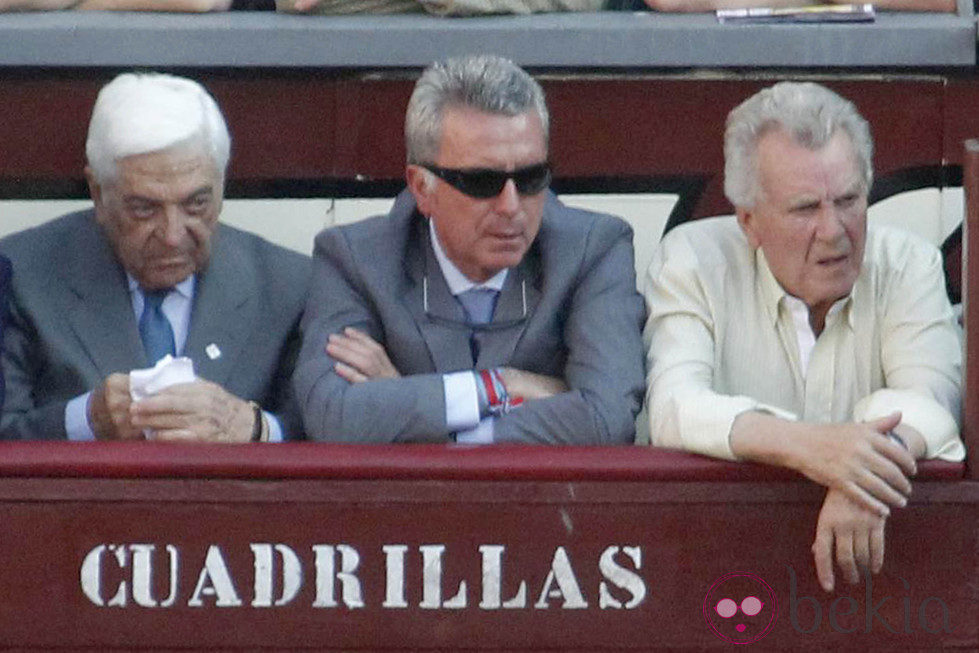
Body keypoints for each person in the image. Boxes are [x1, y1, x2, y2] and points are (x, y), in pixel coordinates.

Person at [643, 82, 964, 592]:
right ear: (748, 221)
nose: (835, 230)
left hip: (874, 589)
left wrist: (861, 475)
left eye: (848, 200)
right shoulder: (693, 260)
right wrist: (813, 448)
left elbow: (935, 399)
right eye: (804, 209)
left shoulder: (907, 263)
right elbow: (674, 409)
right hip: (707, 567)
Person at [295, 54, 645, 445]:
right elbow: (333, 416)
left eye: (531, 177)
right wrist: (500, 387)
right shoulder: (353, 258)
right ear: (421, 187)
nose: (512, 206)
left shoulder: (593, 248)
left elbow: (607, 418)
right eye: (481, 181)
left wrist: (422, 412)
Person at [0, 72, 309, 442]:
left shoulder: (290, 285)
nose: (173, 235)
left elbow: (326, 433)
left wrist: (256, 429)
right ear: (98, 194)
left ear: (222, 185)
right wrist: (85, 419)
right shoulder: (21, 277)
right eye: (144, 208)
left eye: (196, 203)